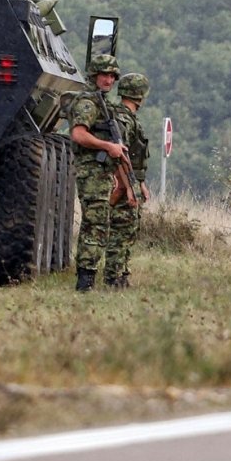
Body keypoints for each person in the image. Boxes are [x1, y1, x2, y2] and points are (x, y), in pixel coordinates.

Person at [68, 55, 132, 292]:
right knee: (94, 225)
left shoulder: (101, 102)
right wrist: (108, 147)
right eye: (104, 75)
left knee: (99, 224)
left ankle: (88, 278)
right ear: (94, 75)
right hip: (91, 172)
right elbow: (78, 134)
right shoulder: (88, 103)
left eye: (113, 76)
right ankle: (85, 281)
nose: (109, 80)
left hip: (101, 172)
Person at [102, 71, 152, 288]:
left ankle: (121, 274)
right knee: (121, 231)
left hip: (130, 181)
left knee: (129, 229)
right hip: (122, 182)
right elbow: (121, 157)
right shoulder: (123, 119)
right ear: (139, 95)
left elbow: (135, 156)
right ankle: (113, 277)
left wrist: (140, 183)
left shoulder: (128, 118)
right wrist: (128, 188)